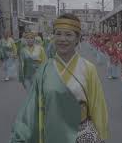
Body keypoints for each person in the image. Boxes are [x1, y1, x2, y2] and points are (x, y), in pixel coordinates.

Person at [10, 13, 109, 143]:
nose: (62, 39)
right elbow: (30, 110)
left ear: (77, 38)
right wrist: (20, 135)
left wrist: (101, 134)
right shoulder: (44, 70)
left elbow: (98, 106)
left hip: (82, 133)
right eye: (58, 34)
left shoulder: (88, 68)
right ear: (53, 36)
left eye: (68, 35)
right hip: (52, 133)